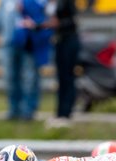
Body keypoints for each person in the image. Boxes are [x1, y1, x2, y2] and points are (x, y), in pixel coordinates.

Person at [8, 0, 53, 121]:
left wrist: (35, 24)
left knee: (30, 79)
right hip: (19, 40)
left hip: (34, 43)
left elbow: (48, 21)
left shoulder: (42, 3)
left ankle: (29, 110)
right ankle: (15, 109)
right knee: (15, 77)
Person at [44, 0, 80, 129]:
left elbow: (73, 20)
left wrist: (58, 24)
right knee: (60, 79)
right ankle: (59, 112)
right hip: (59, 40)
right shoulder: (50, 3)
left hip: (69, 40)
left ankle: (66, 113)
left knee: (68, 77)